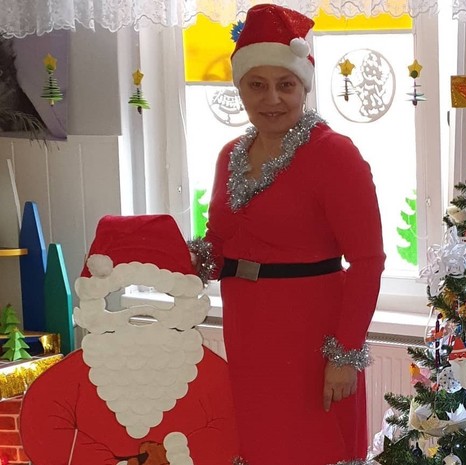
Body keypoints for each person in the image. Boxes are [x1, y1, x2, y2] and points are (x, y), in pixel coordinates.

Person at [187, 5, 386, 464]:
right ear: (240, 88)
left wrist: (344, 354)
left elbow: (368, 261)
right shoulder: (230, 155)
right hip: (248, 330)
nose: (272, 98)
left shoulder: (334, 154)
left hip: (313, 336)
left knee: (314, 445)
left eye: (286, 84)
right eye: (257, 84)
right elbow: (219, 243)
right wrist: (174, 260)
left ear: (304, 87)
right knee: (257, 444)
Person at [20, 214, 238, 465]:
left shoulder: (210, 373)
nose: (141, 311)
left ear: (185, 303)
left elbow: (231, 424)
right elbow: (42, 424)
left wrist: (178, 455)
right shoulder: (72, 377)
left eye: (166, 295)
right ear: (94, 304)